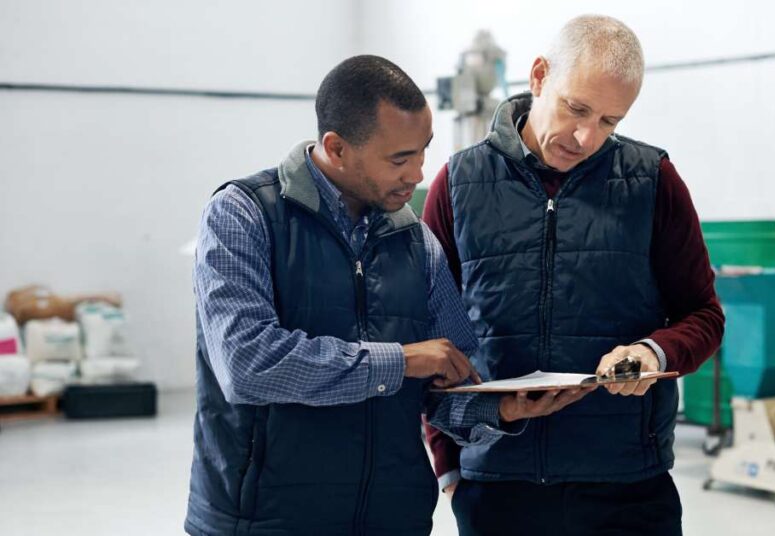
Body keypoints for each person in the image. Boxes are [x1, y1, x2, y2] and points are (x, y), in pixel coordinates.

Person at [185, 55, 590, 536]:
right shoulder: (243, 216)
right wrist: (401, 360)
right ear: (336, 148)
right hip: (262, 521)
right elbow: (247, 366)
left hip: (392, 518)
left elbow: (446, 385)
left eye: (423, 151)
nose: (418, 174)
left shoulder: (418, 243)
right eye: (399, 159)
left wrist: (500, 407)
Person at [423, 16, 725, 535]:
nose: (587, 137)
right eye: (577, 108)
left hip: (627, 487)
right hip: (498, 487)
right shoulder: (457, 184)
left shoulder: (652, 181)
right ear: (539, 76)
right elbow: (427, 336)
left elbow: (704, 315)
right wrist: (448, 464)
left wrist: (651, 354)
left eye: (610, 120)